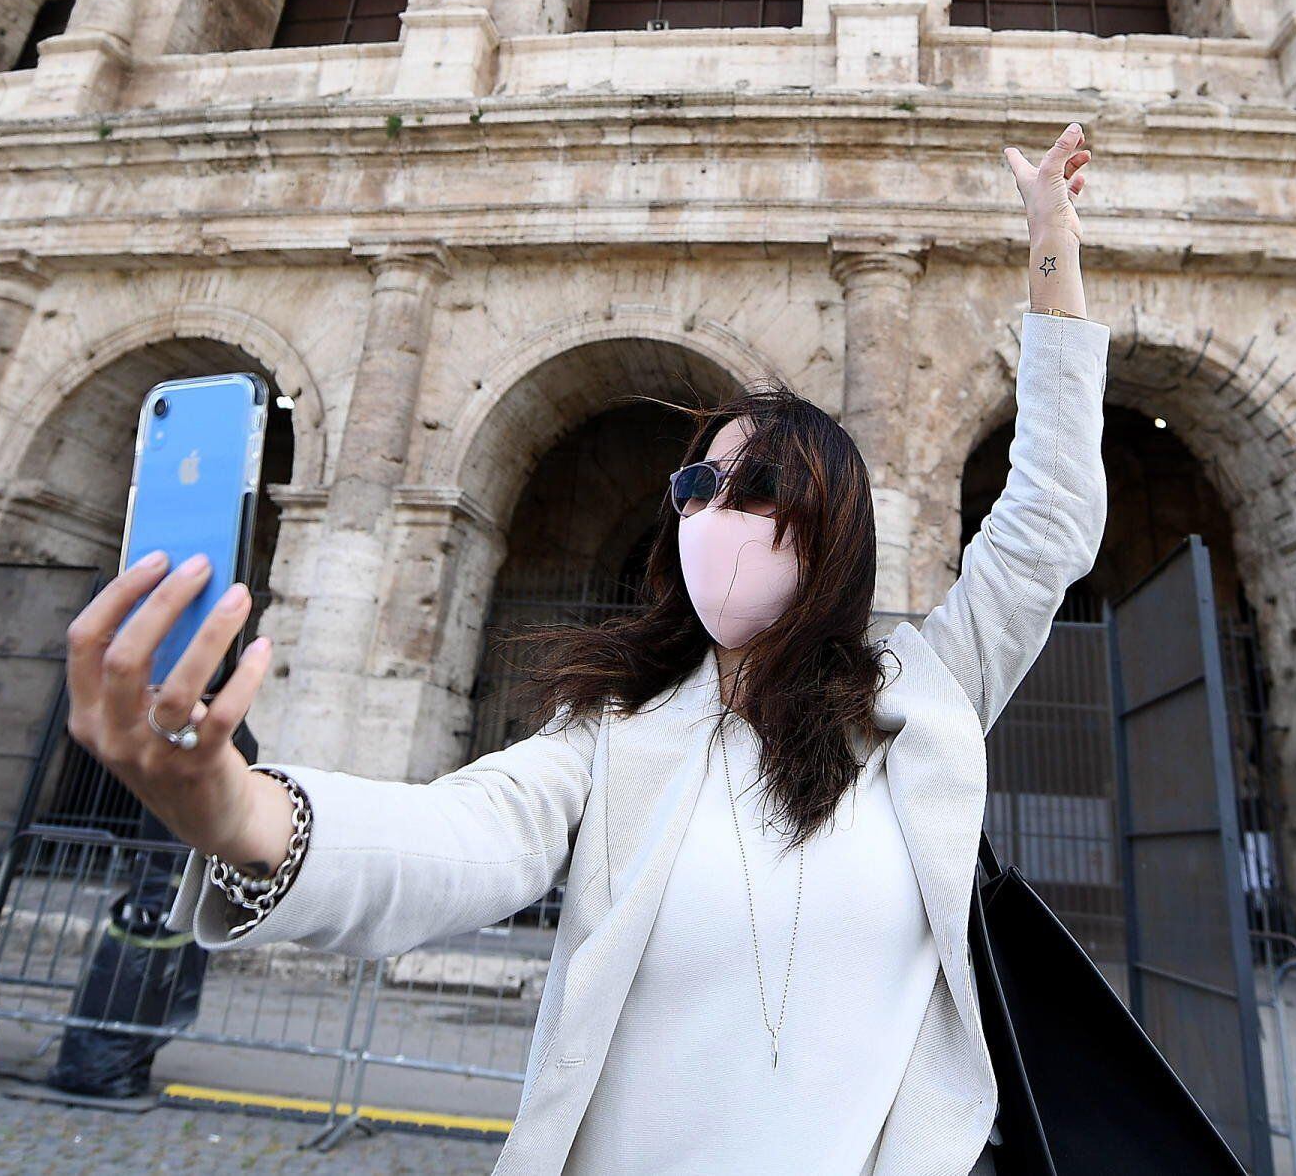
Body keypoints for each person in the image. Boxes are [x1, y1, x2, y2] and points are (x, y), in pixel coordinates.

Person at [64, 121, 1111, 1175]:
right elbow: (455, 839)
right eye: (695, 487)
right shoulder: (616, 737)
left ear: (834, 530)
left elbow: (1050, 516)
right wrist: (243, 812)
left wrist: (1049, 240)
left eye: (755, 489)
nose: (712, 512)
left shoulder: (924, 698)